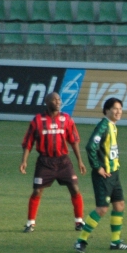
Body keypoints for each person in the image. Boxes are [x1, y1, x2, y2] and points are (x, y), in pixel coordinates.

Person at [19, 92, 86, 232]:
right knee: (37, 191)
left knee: (74, 188)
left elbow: (73, 141)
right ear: (46, 102)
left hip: (63, 161)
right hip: (45, 162)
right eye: (54, 99)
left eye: (59, 99)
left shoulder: (67, 119)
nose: (57, 102)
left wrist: (80, 161)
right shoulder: (37, 120)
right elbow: (28, 143)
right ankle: (30, 223)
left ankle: (79, 221)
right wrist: (24, 161)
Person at [75, 97, 127, 253]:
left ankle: (115, 242)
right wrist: (98, 167)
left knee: (119, 205)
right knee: (102, 209)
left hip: (114, 174)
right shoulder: (103, 126)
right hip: (104, 175)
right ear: (106, 110)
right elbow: (90, 146)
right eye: (115, 108)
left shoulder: (112, 126)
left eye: (120, 109)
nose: (118, 111)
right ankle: (81, 241)